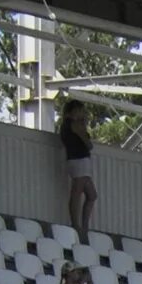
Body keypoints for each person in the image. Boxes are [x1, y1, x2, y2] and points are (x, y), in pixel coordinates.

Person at [57, 99, 98, 233]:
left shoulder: (67, 125)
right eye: (80, 111)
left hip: (80, 160)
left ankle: (84, 225)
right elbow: (88, 143)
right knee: (77, 191)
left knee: (91, 194)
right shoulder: (73, 124)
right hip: (78, 159)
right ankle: (76, 224)